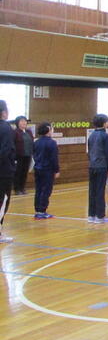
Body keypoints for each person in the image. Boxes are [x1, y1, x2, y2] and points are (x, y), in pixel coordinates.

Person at [87, 114, 108, 224]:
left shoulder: (91, 136)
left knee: (92, 191)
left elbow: (89, 152)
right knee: (99, 191)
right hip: (101, 166)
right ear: (104, 123)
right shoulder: (106, 136)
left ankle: (91, 215)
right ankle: (100, 216)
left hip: (92, 166)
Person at [32, 122, 59, 219]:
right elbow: (54, 158)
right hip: (47, 170)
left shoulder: (36, 142)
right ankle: (42, 211)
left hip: (37, 168)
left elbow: (34, 155)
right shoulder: (52, 143)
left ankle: (38, 210)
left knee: (38, 189)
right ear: (48, 130)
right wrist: (56, 170)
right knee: (46, 190)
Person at [0, 100, 15, 243]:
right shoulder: (5, 127)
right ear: (4, 112)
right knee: (3, 200)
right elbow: (5, 150)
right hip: (3, 172)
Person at [13, 116, 34, 195]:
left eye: (25, 121)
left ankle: (22, 188)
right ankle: (17, 189)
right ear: (17, 123)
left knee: (25, 172)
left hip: (28, 155)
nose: (24, 122)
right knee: (18, 172)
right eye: (22, 121)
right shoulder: (15, 132)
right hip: (18, 156)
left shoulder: (29, 131)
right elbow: (13, 144)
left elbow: (32, 142)